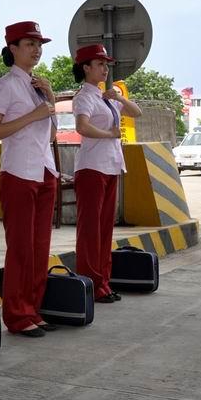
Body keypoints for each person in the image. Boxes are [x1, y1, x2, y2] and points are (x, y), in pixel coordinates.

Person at [0, 22, 59, 337]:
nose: (37, 49)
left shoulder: (37, 85)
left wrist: (51, 97)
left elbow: (51, 132)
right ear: (13, 48)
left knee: (40, 247)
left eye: (39, 44)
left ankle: (33, 309)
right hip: (18, 172)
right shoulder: (5, 86)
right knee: (20, 248)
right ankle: (16, 315)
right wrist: (33, 115)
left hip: (44, 170)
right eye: (30, 44)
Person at [71, 44, 142, 304]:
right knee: (91, 231)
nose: (105, 68)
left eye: (106, 64)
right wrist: (109, 134)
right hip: (92, 167)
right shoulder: (85, 97)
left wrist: (120, 98)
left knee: (104, 229)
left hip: (110, 165)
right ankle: (91, 284)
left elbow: (137, 112)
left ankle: (103, 282)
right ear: (86, 68)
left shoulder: (106, 97)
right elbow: (82, 126)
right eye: (99, 64)